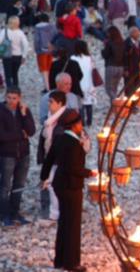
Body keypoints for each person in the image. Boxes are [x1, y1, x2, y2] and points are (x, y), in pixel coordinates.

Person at [40, 109, 96, 272]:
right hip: (71, 186)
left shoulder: (60, 139)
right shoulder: (72, 143)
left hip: (60, 185)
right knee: (72, 225)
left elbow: (49, 159)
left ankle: (60, 260)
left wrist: (44, 177)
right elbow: (74, 168)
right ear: (75, 125)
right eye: (79, 124)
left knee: (64, 222)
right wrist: (90, 173)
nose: (81, 126)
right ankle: (72, 263)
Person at [0, 87, 36, 226]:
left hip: (23, 154)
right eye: (9, 97)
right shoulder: (1, 111)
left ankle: (15, 212)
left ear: (20, 97)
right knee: (5, 186)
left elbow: (31, 131)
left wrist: (24, 115)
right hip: (7, 154)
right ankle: (4, 214)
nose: (11, 101)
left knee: (19, 185)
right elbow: (2, 136)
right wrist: (21, 135)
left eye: (14, 98)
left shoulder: (24, 111)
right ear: (5, 96)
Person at [37, 91, 67, 221]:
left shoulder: (65, 119)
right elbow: (43, 139)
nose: (48, 104)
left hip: (59, 159)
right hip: (50, 157)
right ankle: (54, 212)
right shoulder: (49, 118)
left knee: (56, 185)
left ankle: (57, 212)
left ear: (60, 103)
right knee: (50, 185)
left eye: (51, 102)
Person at [71, 41, 95, 127]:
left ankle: (82, 122)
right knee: (89, 103)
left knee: (80, 104)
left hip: (79, 83)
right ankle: (89, 122)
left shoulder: (73, 58)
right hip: (89, 83)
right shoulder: (89, 58)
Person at [2, 16, 30, 88]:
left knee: (7, 75)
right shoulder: (20, 33)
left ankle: (9, 90)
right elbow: (26, 44)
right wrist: (24, 56)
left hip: (7, 55)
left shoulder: (4, 31)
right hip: (18, 55)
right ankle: (16, 89)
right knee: (15, 74)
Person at [33, 13, 57, 92]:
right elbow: (55, 36)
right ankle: (50, 85)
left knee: (44, 70)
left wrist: (36, 50)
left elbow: (37, 40)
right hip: (51, 50)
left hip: (41, 50)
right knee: (49, 68)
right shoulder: (52, 26)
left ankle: (47, 87)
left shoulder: (37, 27)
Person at [101, 26, 125, 101]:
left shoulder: (109, 43)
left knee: (109, 89)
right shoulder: (122, 42)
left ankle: (117, 102)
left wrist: (103, 49)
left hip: (111, 67)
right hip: (120, 67)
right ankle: (114, 108)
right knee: (114, 88)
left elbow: (105, 55)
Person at [123, 27, 140, 96]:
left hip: (138, 69)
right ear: (131, 34)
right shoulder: (127, 43)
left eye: (138, 31)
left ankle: (135, 103)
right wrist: (125, 69)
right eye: (137, 32)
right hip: (130, 69)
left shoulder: (139, 43)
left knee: (137, 86)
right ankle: (128, 103)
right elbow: (124, 57)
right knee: (129, 87)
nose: (139, 33)